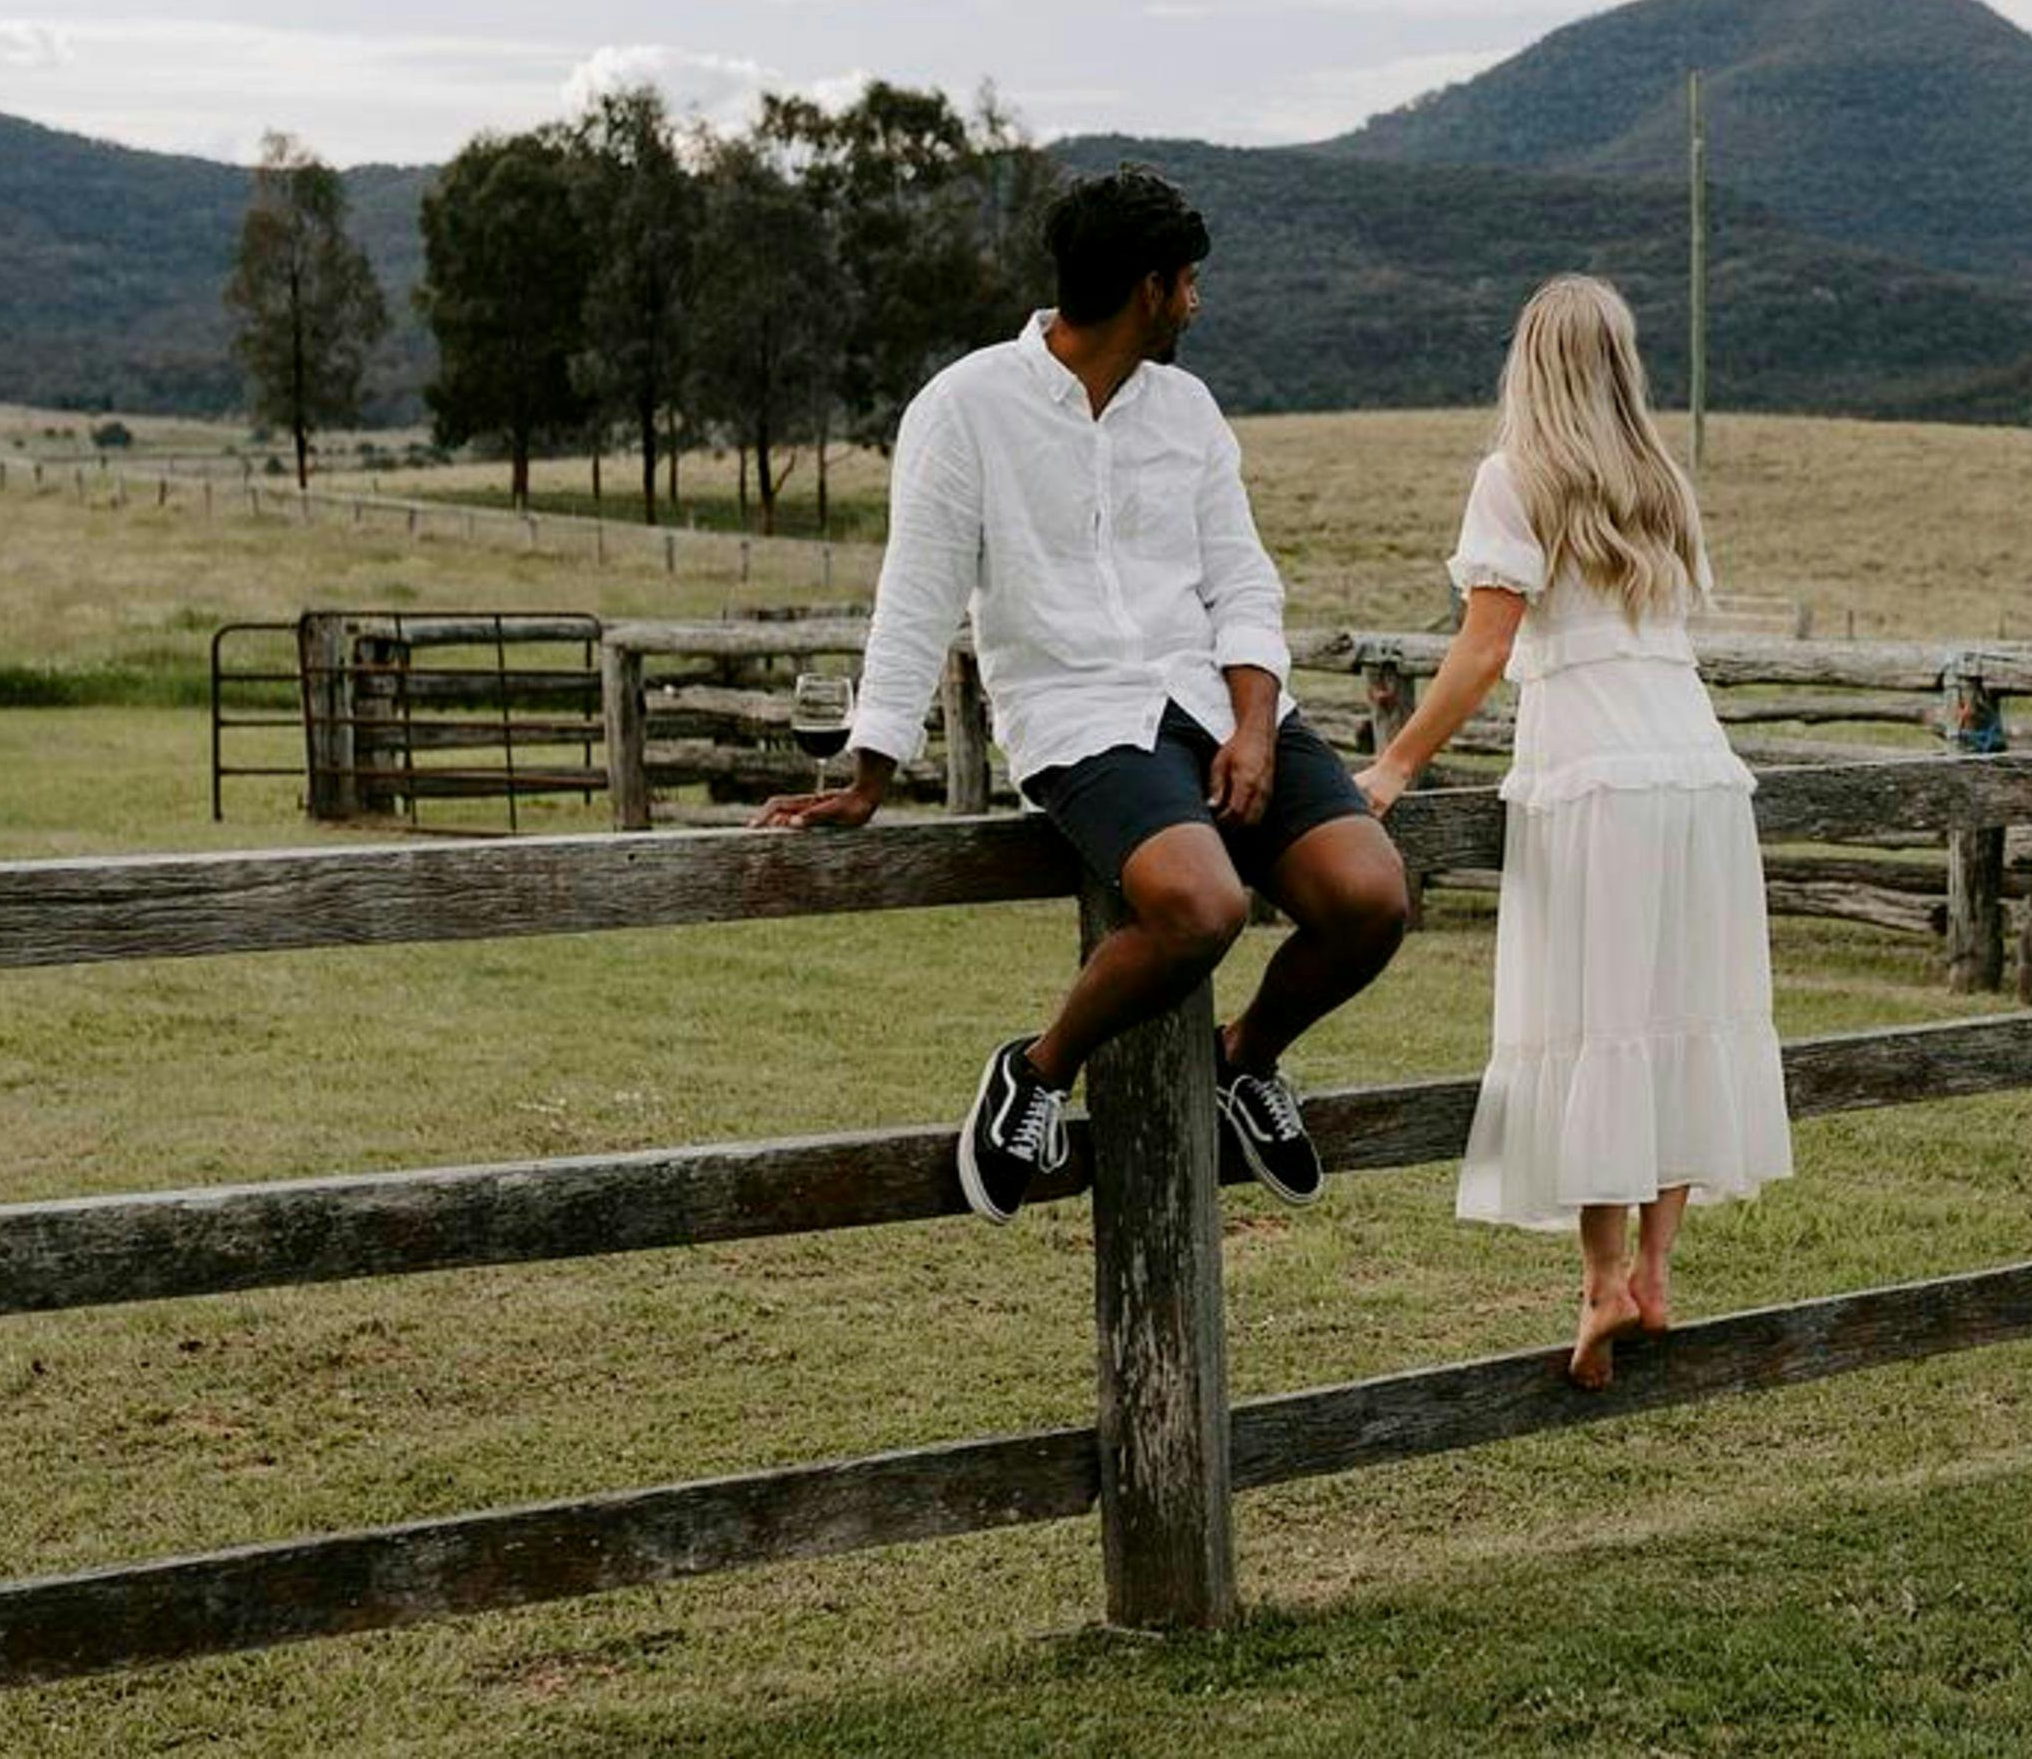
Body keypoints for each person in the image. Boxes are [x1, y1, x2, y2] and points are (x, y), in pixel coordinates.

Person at [760, 165, 1411, 1223]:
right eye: (1189, 283)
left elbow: (1242, 580)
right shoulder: (965, 407)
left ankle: (1243, 1061)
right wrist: (869, 772)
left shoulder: (1188, 409)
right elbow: (916, 594)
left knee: (1372, 897)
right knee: (1201, 905)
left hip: (1214, 697)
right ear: (1150, 289)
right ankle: (1037, 1071)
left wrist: (1253, 724)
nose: (1197, 303)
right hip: (1077, 714)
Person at [1357, 275, 1789, 1389]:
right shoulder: (1663, 482)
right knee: (1681, 1010)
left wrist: (1398, 762)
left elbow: (1485, 649)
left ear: (1530, 363)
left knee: (1602, 1018)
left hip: (1594, 777)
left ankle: (1602, 1278)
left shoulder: (1515, 479)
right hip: (1696, 775)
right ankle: (1654, 1263)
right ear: (1621, 362)